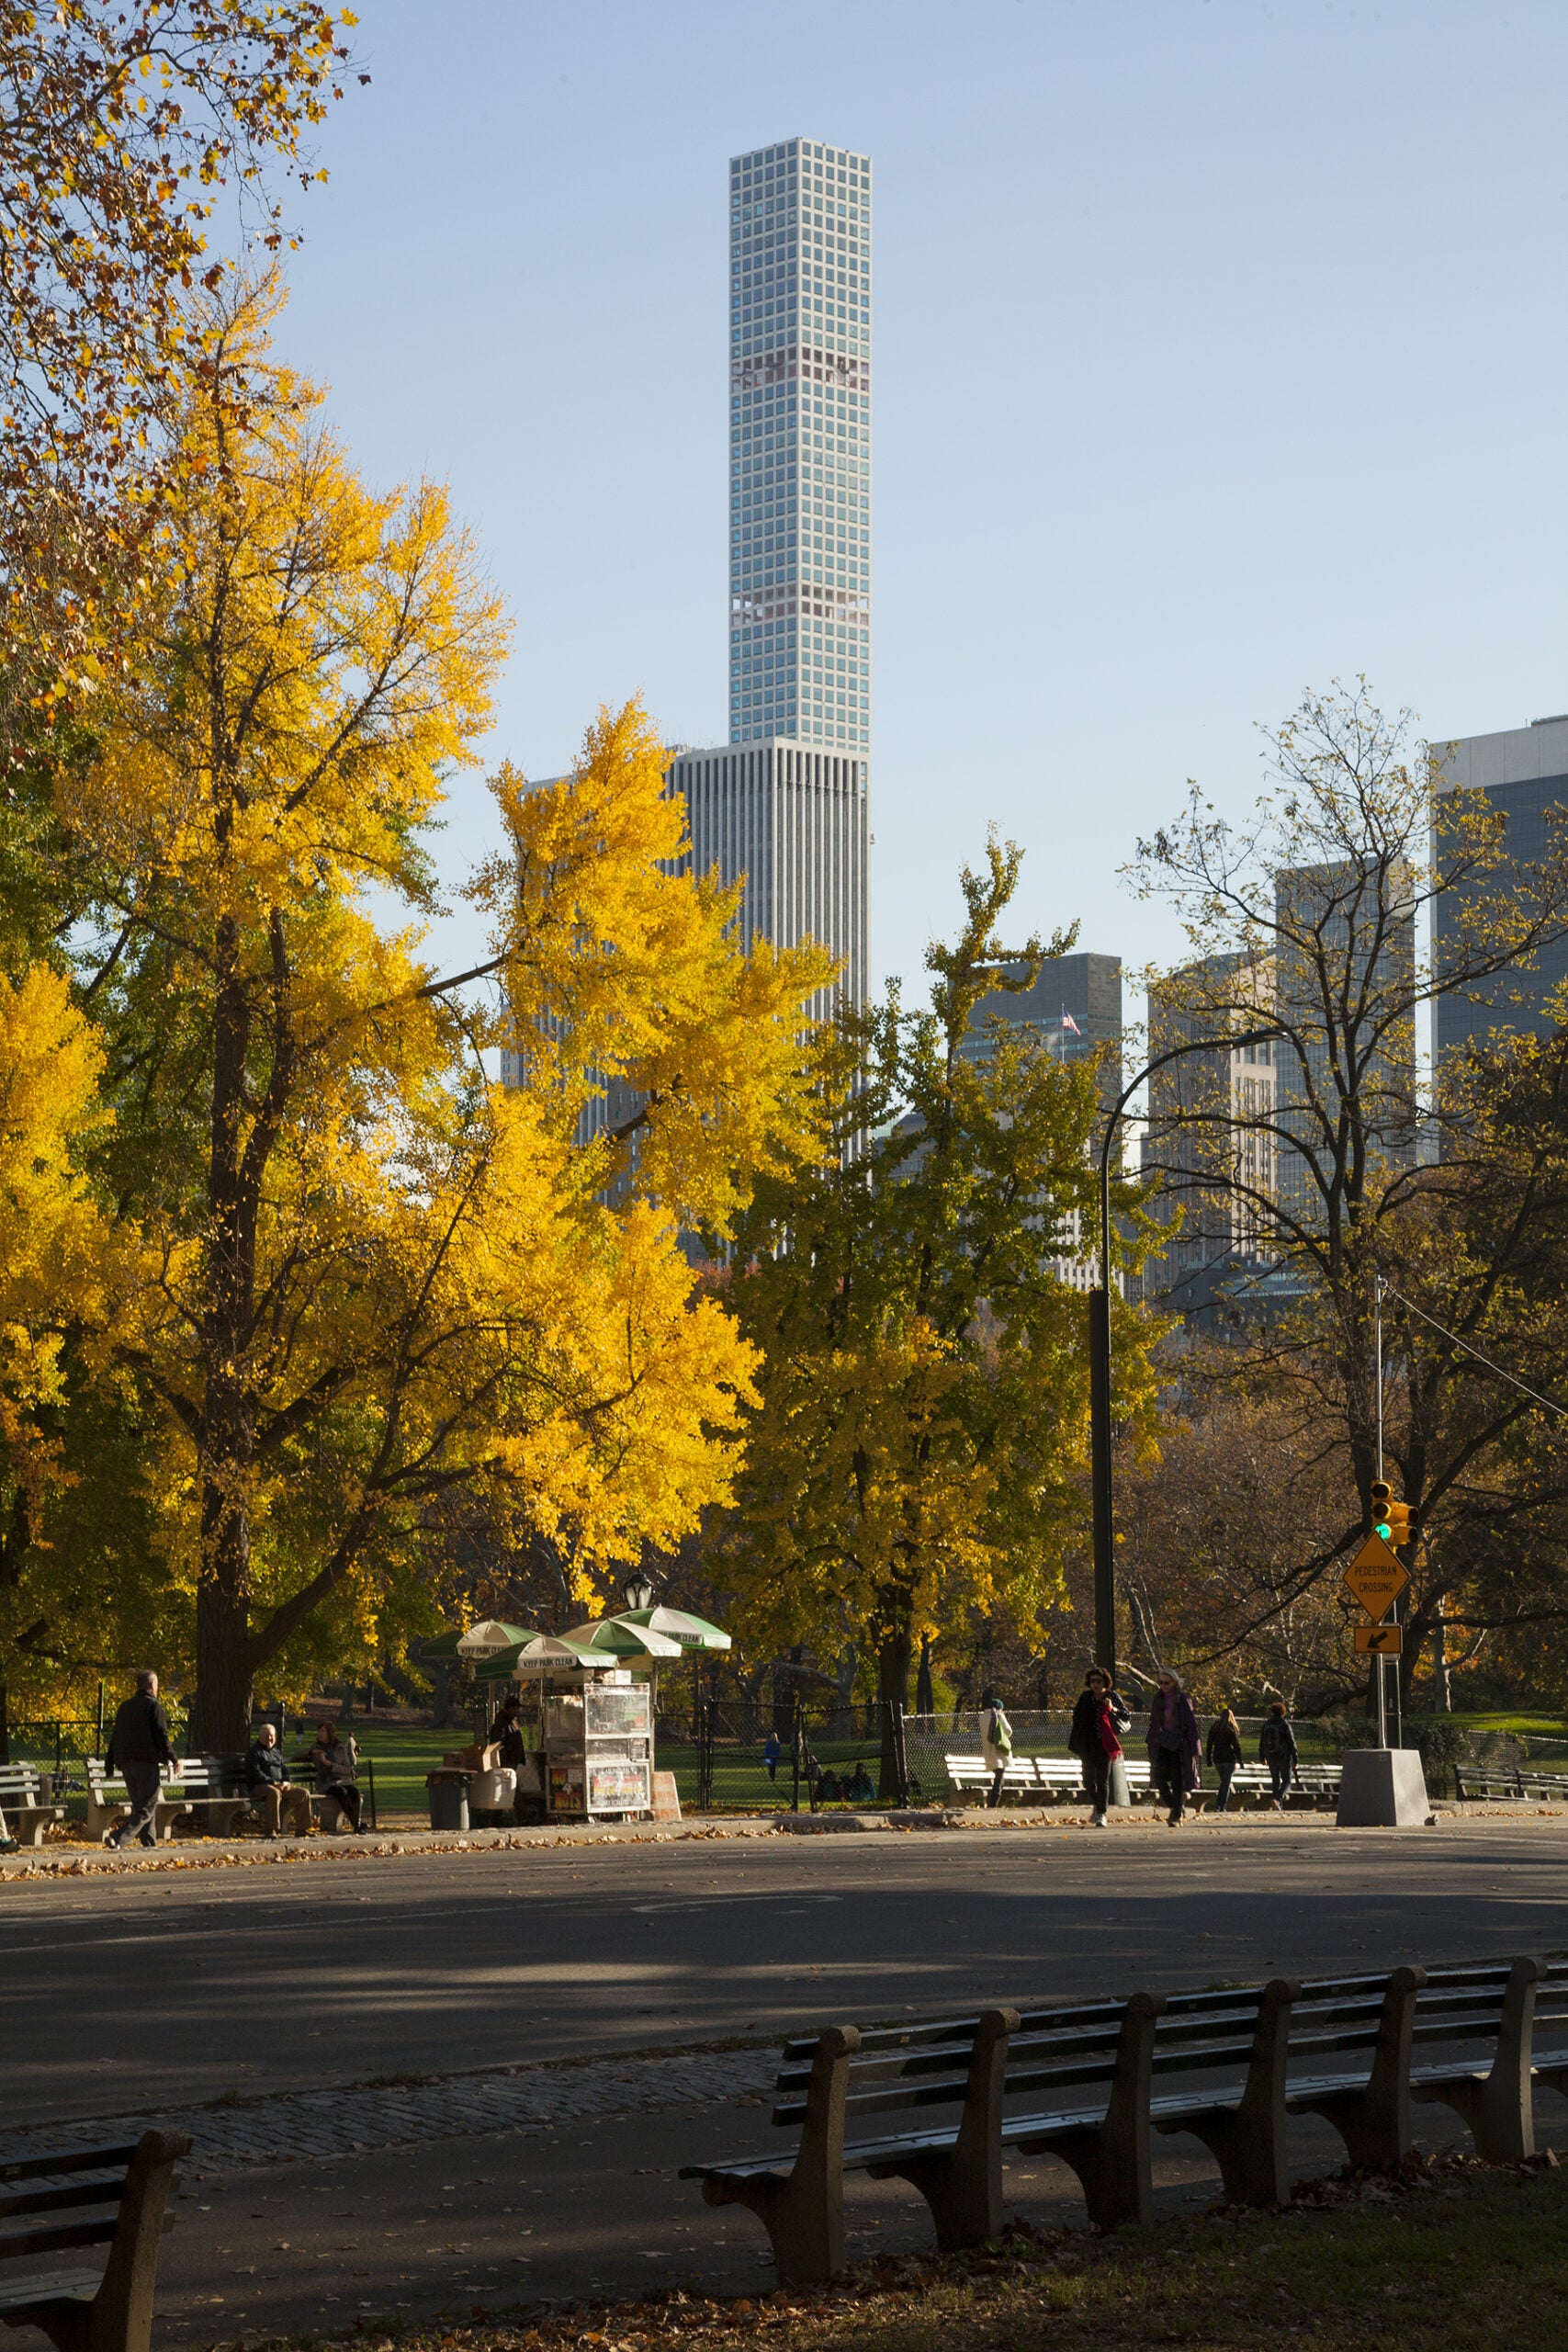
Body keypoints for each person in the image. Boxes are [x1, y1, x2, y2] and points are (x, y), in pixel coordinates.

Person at [104, 1668, 176, 1849]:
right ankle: (118, 1838)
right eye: (157, 1685)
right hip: (146, 1763)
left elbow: (116, 1736)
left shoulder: (125, 1707)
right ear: (152, 1685)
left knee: (141, 1808)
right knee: (148, 1808)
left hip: (126, 1764)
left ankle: (150, 1845)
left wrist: (109, 1763)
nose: (157, 1688)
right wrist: (174, 1759)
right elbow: (162, 1736)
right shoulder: (153, 1706)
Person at [1068, 1668, 1130, 1826]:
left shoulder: (1112, 1696)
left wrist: (1112, 1708)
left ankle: (1101, 1813)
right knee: (1088, 1780)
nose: (1095, 1684)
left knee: (1102, 1779)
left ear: (1105, 1682)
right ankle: (1098, 1804)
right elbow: (1077, 1717)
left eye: (1099, 1681)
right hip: (1087, 1745)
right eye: (1093, 1681)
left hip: (1105, 1744)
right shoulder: (1085, 1697)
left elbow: (1126, 1715)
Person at [1146, 1669, 1200, 1826]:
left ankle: (1176, 1816)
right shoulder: (1158, 1699)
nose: (1163, 1685)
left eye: (1166, 1683)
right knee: (1159, 1778)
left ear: (1175, 1683)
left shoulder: (1182, 1700)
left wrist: (1195, 1749)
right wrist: (1152, 1740)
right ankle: (1176, 1807)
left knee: (1177, 1781)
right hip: (1162, 1743)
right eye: (1160, 1682)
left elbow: (1191, 1724)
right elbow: (1154, 1722)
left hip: (1179, 1744)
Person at [244, 1721, 311, 1838]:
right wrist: (273, 1782)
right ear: (260, 1737)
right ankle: (271, 1829)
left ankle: (302, 1829)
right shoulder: (254, 1752)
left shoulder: (277, 1752)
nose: (269, 1738)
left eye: (271, 1736)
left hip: (280, 1785)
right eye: (266, 1736)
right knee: (274, 1792)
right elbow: (255, 1773)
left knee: (304, 1794)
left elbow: (284, 1770)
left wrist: (286, 1782)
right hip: (260, 1786)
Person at [303, 1721, 364, 1832]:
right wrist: (312, 1752)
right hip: (327, 1783)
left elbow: (347, 1769)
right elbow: (299, 1753)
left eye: (322, 1731)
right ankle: (357, 1824)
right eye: (319, 1731)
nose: (319, 1734)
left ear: (329, 1733)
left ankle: (356, 1823)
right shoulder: (317, 1747)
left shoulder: (340, 1747)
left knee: (355, 1793)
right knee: (342, 1792)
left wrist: (330, 1765)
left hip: (342, 1781)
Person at [1259, 1701, 1300, 1809]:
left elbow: (1262, 1741)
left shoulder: (1267, 1724)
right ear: (1283, 1712)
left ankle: (1277, 1803)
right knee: (1287, 1781)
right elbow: (1291, 1742)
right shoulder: (1285, 1725)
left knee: (1275, 1780)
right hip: (1283, 1756)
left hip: (1270, 1756)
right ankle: (1277, 1799)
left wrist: (1262, 1757)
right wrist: (1295, 1759)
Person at [1205, 1706, 1244, 1813]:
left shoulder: (1215, 1728)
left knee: (1224, 1782)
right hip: (1228, 1758)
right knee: (1225, 1783)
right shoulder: (1231, 1729)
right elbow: (1236, 1746)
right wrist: (1240, 1760)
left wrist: (1208, 1758)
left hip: (1217, 1758)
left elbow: (1209, 1744)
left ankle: (1221, 1806)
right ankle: (1220, 1805)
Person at [980, 1687, 1013, 1807]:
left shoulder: (982, 1717)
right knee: (1000, 1776)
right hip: (998, 1751)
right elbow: (1008, 1731)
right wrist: (1002, 1717)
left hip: (988, 1751)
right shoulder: (998, 1716)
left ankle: (992, 1802)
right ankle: (993, 1804)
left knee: (998, 1776)